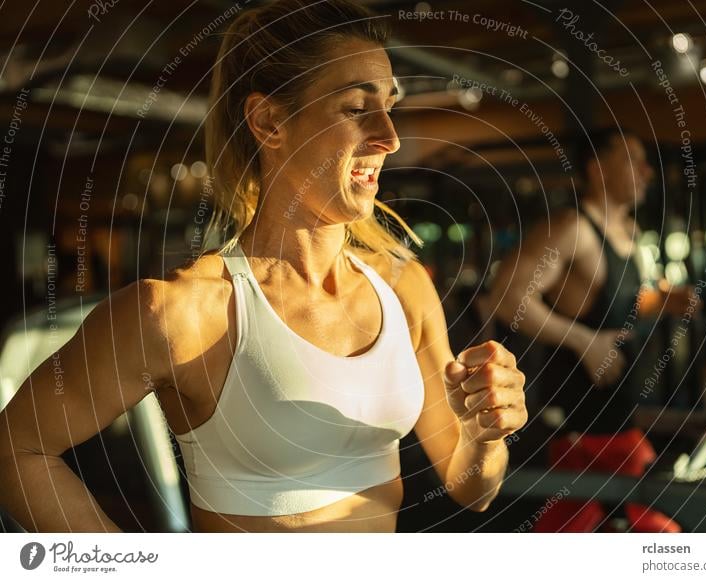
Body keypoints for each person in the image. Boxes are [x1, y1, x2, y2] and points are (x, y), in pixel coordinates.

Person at [0, 0, 527, 533]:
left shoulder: (403, 287)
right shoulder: (180, 312)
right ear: (270, 121)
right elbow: (16, 449)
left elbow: (473, 488)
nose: (389, 137)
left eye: (389, 105)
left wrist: (484, 433)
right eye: (355, 107)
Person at [486, 127, 693, 532]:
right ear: (597, 169)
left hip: (621, 420)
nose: (647, 172)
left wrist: (661, 302)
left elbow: (614, 307)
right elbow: (507, 296)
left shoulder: (629, 234)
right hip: (582, 433)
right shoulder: (573, 229)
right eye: (633, 160)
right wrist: (584, 341)